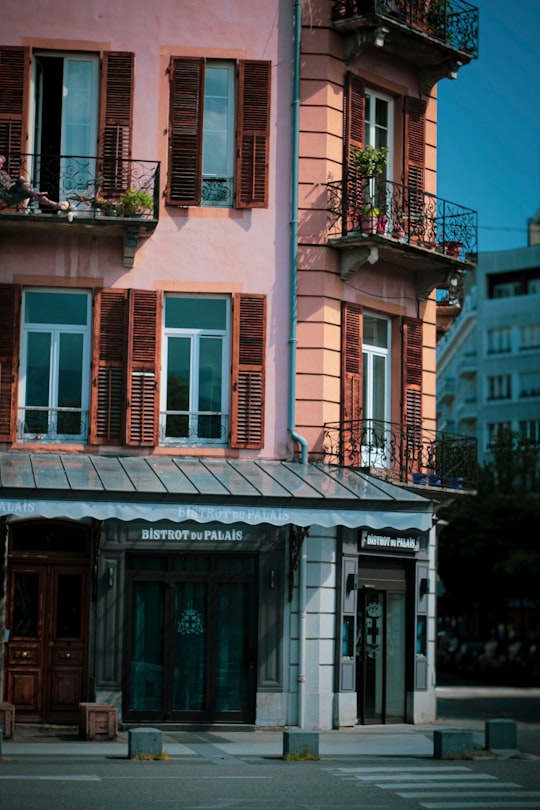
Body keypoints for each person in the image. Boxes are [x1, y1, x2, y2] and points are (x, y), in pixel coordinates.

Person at [0, 154, 72, 212]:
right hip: (9, 194)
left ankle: (57, 205)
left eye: (2, 164)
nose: (1, 165)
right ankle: (37, 198)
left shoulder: (3, 172)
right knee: (29, 187)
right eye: (0, 163)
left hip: (14, 189)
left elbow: (11, 182)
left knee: (28, 184)